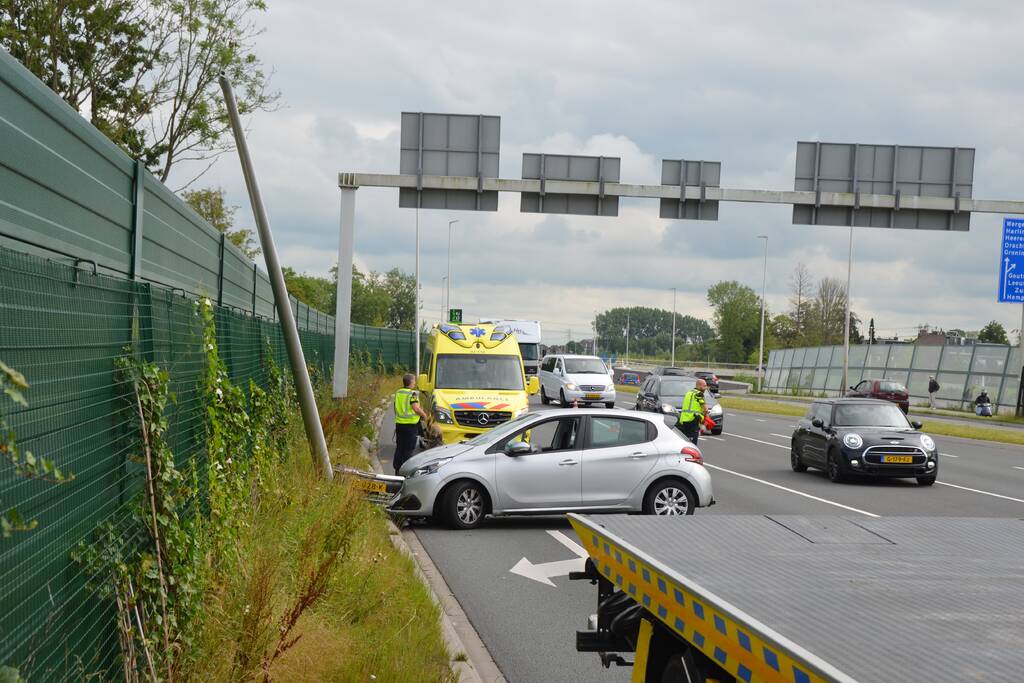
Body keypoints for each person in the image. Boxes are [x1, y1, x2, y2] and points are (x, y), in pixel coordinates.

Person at [393, 373, 428, 474]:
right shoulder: (412, 394)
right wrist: (424, 416)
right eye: (414, 381)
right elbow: (416, 408)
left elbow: (396, 407)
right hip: (410, 426)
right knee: (408, 450)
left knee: (400, 447)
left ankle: (397, 470)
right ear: (411, 382)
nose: (415, 383)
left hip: (399, 424)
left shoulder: (398, 392)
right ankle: (407, 472)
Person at [677, 379, 709, 446]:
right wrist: (705, 420)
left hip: (684, 420)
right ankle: (692, 455)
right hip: (693, 420)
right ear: (699, 386)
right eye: (704, 386)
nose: (706, 388)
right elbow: (705, 409)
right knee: (693, 443)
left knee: (686, 440)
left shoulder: (688, 393)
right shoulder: (699, 394)